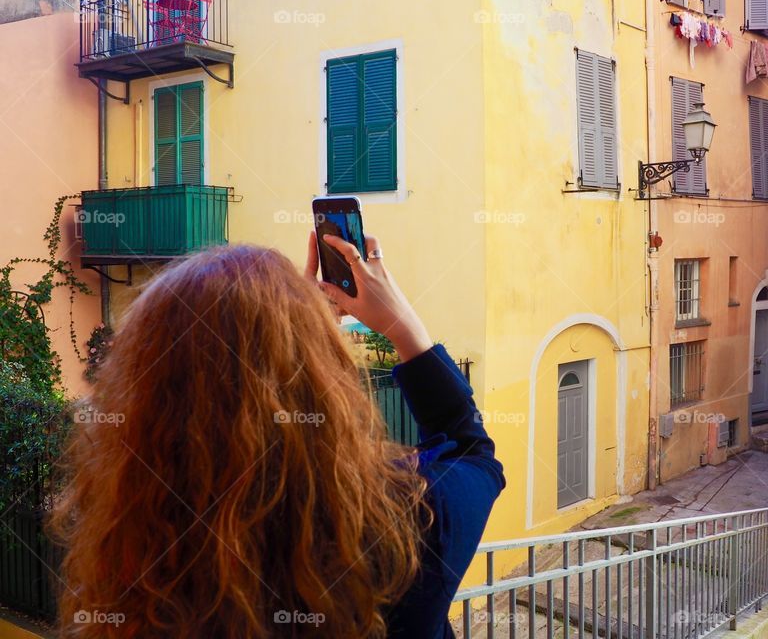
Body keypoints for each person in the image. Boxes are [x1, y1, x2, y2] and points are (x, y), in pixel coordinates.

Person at [49, 232, 505, 638]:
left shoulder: (131, 540)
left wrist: (293, 326)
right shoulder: (414, 523)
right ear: (321, 381)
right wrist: (397, 324)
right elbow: (472, 448)